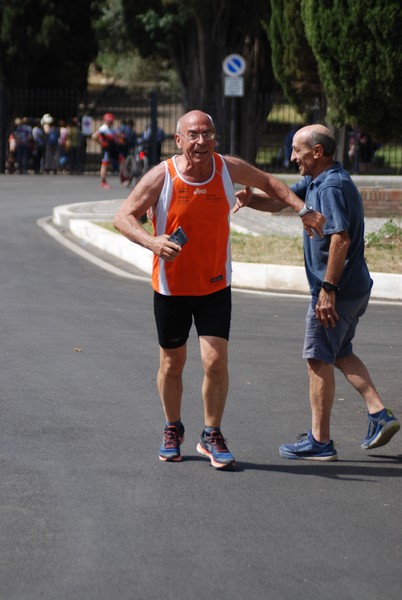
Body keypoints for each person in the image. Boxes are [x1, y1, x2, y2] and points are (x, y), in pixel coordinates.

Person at [113, 110, 325, 469]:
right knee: (172, 363)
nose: (201, 142)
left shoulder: (226, 168)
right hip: (172, 287)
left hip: (214, 285)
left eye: (207, 134)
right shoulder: (162, 175)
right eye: (193, 135)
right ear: (178, 140)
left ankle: (211, 434)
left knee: (215, 361)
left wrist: (302, 209)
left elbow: (270, 182)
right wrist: (152, 242)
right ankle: (172, 427)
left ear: (215, 137)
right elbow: (123, 216)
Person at [235, 124, 400, 461]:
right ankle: (378, 413)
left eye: (297, 150)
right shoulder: (316, 181)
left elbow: (340, 238)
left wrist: (328, 289)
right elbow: (283, 201)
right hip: (354, 287)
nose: (292, 156)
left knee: (317, 357)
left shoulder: (331, 187)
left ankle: (320, 441)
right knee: (339, 351)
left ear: (317, 152)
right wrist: (251, 200)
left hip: (337, 289)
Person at [91, 112, 123, 189]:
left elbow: (116, 136)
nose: (110, 122)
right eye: (108, 120)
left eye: (111, 120)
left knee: (122, 159)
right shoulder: (103, 128)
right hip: (106, 149)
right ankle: (103, 182)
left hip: (112, 149)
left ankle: (122, 175)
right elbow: (94, 136)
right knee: (104, 164)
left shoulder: (111, 128)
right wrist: (101, 143)